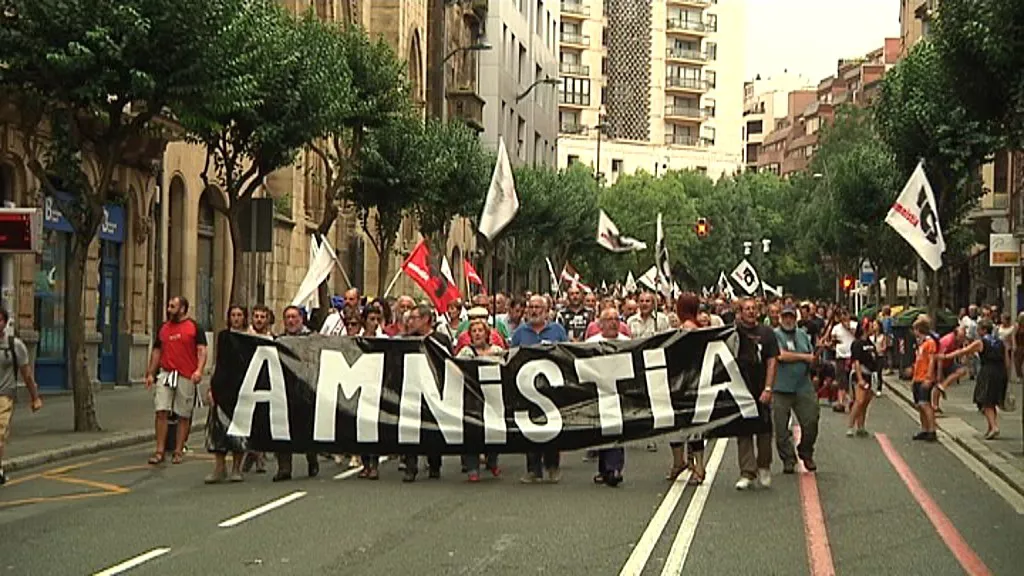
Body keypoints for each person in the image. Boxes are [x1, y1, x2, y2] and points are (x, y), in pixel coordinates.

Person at [511, 295, 569, 483]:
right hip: (527, 388)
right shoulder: (520, 333)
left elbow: (567, 354)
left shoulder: (557, 330)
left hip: (551, 388)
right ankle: (533, 469)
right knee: (530, 428)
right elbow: (511, 357)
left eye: (538, 307)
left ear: (546, 311)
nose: (534, 310)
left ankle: (552, 466)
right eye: (531, 307)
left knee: (552, 428)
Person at [145, 296, 207, 465]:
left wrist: (199, 370)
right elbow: (157, 351)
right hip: (166, 374)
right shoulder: (164, 328)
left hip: (186, 375)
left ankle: (178, 450)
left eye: (172, 306)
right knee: (161, 410)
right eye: (169, 306)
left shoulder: (194, 328)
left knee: (183, 414)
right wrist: (151, 373)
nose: (168, 309)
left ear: (182, 309)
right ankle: (159, 450)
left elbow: (201, 350)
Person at [401, 304, 453, 482]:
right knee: (409, 427)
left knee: (432, 427)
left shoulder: (440, 339)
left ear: (425, 319)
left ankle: (435, 463)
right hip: (411, 389)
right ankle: (410, 466)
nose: (410, 322)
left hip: (433, 389)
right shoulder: (406, 340)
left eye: (414, 318)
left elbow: (449, 362)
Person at [936, 319, 1009, 440]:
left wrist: (945, 356)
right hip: (1000, 372)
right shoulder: (1001, 342)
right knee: (993, 400)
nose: (978, 331)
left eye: (979, 329)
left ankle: (994, 426)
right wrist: (1007, 374)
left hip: (988, 372)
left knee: (986, 401)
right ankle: (991, 427)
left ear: (983, 330)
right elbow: (1007, 360)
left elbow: (963, 351)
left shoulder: (981, 342)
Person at [734, 297, 779, 490]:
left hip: (761, 386)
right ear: (740, 312)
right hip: (741, 387)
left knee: (764, 430)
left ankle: (764, 466)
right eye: (746, 309)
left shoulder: (767, 333)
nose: (751, 312)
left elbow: (772, 361)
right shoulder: (734, 332)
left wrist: (768, 387)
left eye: (753, 309)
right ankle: (747, 472)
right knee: (743, 430)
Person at [273, 306, 320, 481]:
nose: (291, 321)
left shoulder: (312, 339)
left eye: (294, 317)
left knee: (306, 427)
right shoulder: (279, 340)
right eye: (287, 318)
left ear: (301, 319)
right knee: (282, 427)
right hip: (284, 390)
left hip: (306, 389)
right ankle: (284, 467)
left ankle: (312, 457)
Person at [584, 307, 628, 487]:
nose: (613, 323)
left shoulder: (627, 342)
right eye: (608, 319)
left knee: (616, 429)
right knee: (602, 431)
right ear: (600, 324)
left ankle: (614, 469)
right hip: (597, 392)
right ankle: (605, 469)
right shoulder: (591, 343)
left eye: (616, 319)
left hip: (619, 393)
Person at [773, 305, 819, 473]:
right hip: (780, 387)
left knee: (811, 420)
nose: (788, 320)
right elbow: (781, 355)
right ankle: (788, 458)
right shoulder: (775, 335)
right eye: (785, 316)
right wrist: (805, 357)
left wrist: (814, 359)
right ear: (780, 318)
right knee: (780, 428)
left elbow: (812, 356)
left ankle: (806, 451)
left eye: (791, 317)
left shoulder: (803, 335)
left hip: (803, 386)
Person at [456, 319, 504, 482]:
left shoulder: (497, 350)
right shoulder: (465, 352)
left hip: (492, 397)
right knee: (472, 431)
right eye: (474, 331)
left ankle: (492, 461)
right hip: (472, 398)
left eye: (480, 330)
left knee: (493, 430)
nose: (477, 333)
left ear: (487, 334)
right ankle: (472, 467)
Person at [205, 305, 248, 483]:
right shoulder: (223, 336)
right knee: (218, 428)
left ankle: (237, 468)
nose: (236, 318)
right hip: (222, 385)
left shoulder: (248, 338)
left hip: (241, 387)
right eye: (233, 315)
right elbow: (219, 361)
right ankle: (219, 467)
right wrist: (211, 388)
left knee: (238, 429)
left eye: (239, 315)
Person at [0, 308, 42, 486]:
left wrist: (35, 397)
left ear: (4, 323)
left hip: (5, 395)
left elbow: (27, 374)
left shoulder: (15, 345)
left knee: (0, 432)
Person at [847, 320, 879, 438]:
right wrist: (860, 379)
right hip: (860, 373)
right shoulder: (857, 343)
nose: (873, 328)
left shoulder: (870, 343)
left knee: (865, 402)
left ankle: (861, 426)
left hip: (871, 374)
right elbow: (856, 361)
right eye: (871, 326)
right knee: (859, 401)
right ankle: (850, 425)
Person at [910, 315, 939, 442]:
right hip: (917, 377)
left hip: (924, 377)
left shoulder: (930, 343)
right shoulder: (921, 344)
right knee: (919, 405)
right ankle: (924, 428)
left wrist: (929, 377)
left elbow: (932, 361)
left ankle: (932, 430)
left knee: (925, 403)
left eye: (915, 329)